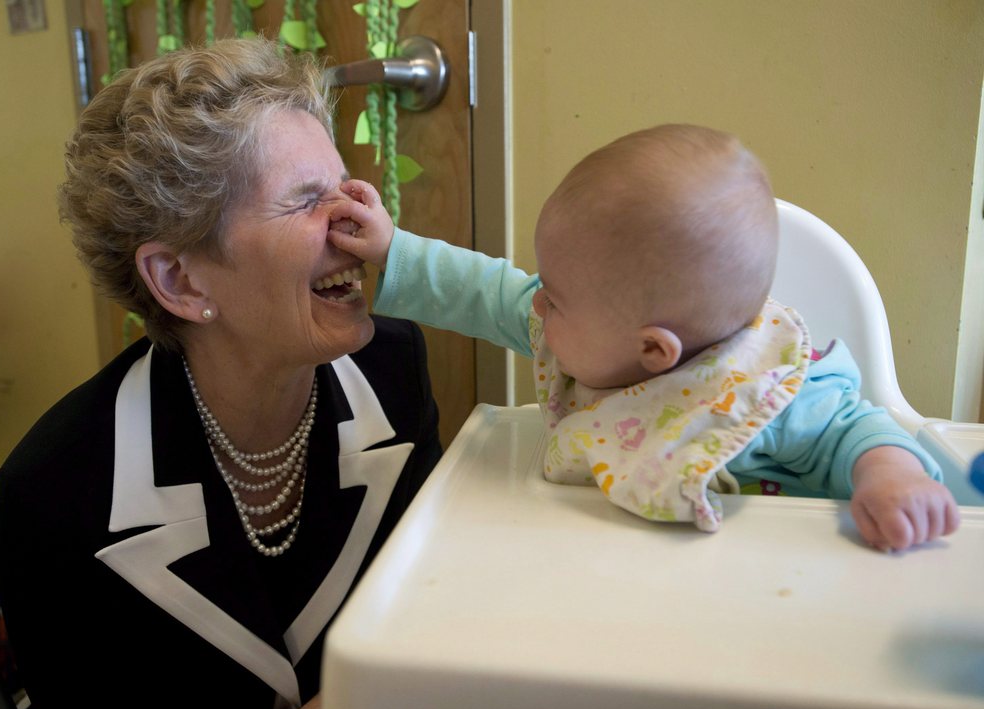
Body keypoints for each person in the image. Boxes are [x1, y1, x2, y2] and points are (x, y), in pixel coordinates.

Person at [0, 38, 441, 709]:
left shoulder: (392, 371)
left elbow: (432, 613)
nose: (357, 224)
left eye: (346, 186)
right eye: (305, 201)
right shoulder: (58, 489)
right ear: (179, 279)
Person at [328, 123, 960, 552]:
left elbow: (858, 428)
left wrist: (890, 477)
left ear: (654, 351)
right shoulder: (584, 328)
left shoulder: (767, 392)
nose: (535, 303)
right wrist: (391, 247)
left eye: (555, 297)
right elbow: (484, 289)